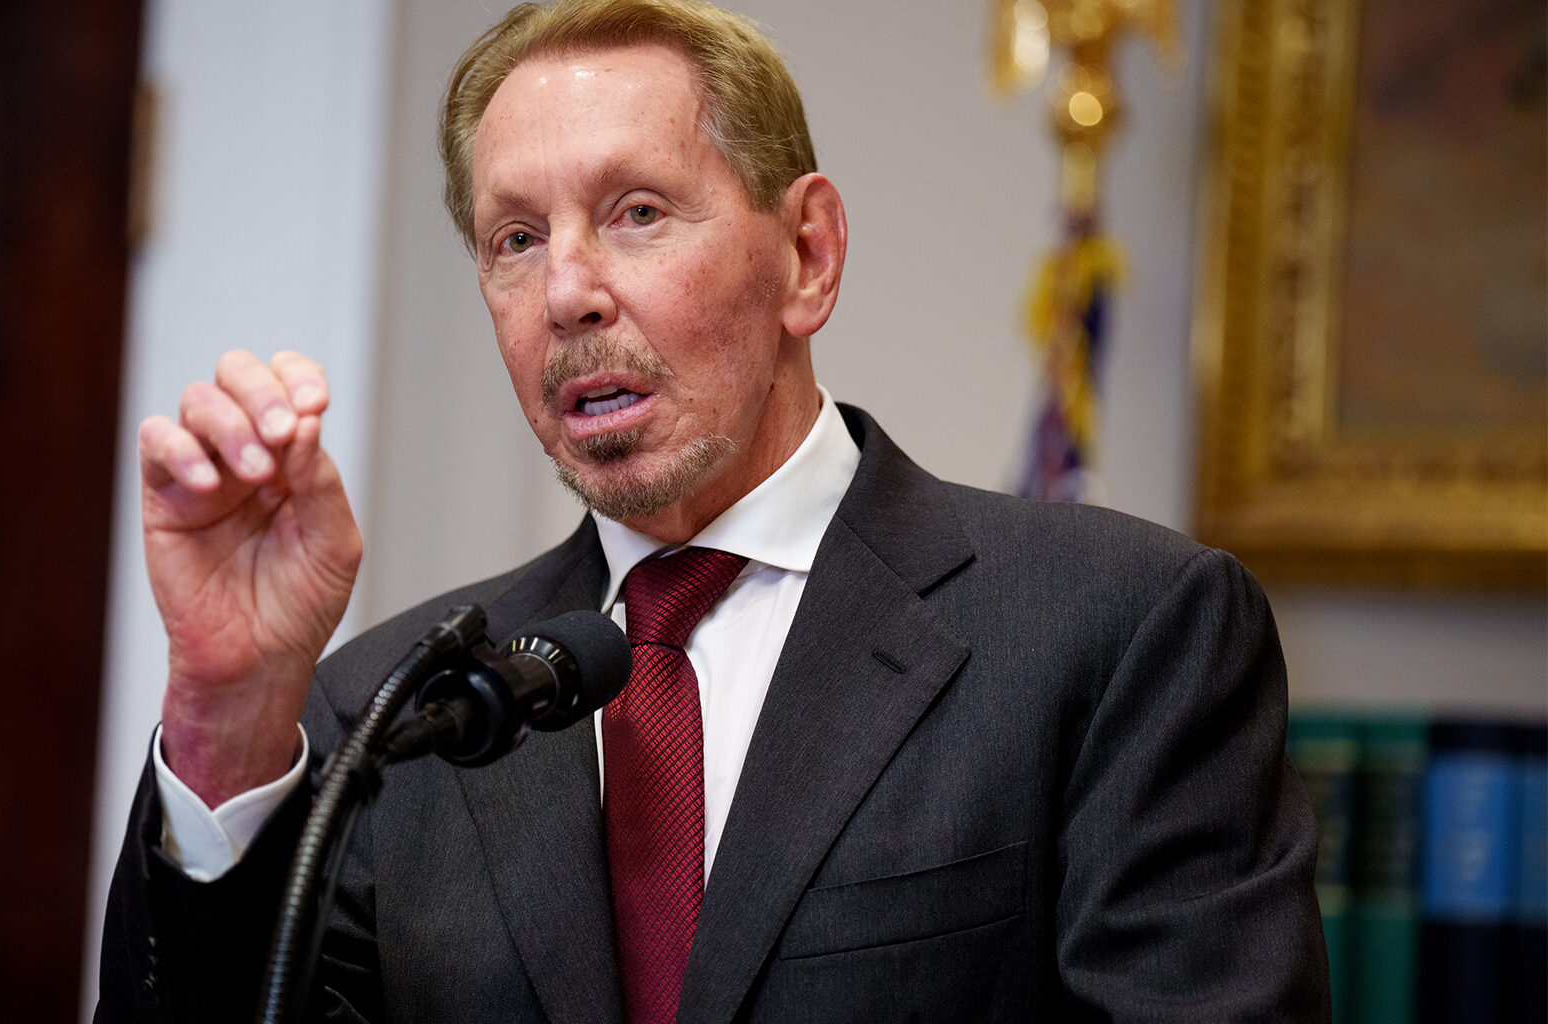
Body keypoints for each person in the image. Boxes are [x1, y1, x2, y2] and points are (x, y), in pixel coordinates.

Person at [99, 1, 1330, 1021]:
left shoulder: (1118, 631)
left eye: (636, 212)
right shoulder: (389, 714)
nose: (568, 291)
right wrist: (228, 717)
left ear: (807, 255)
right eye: (514, 238)